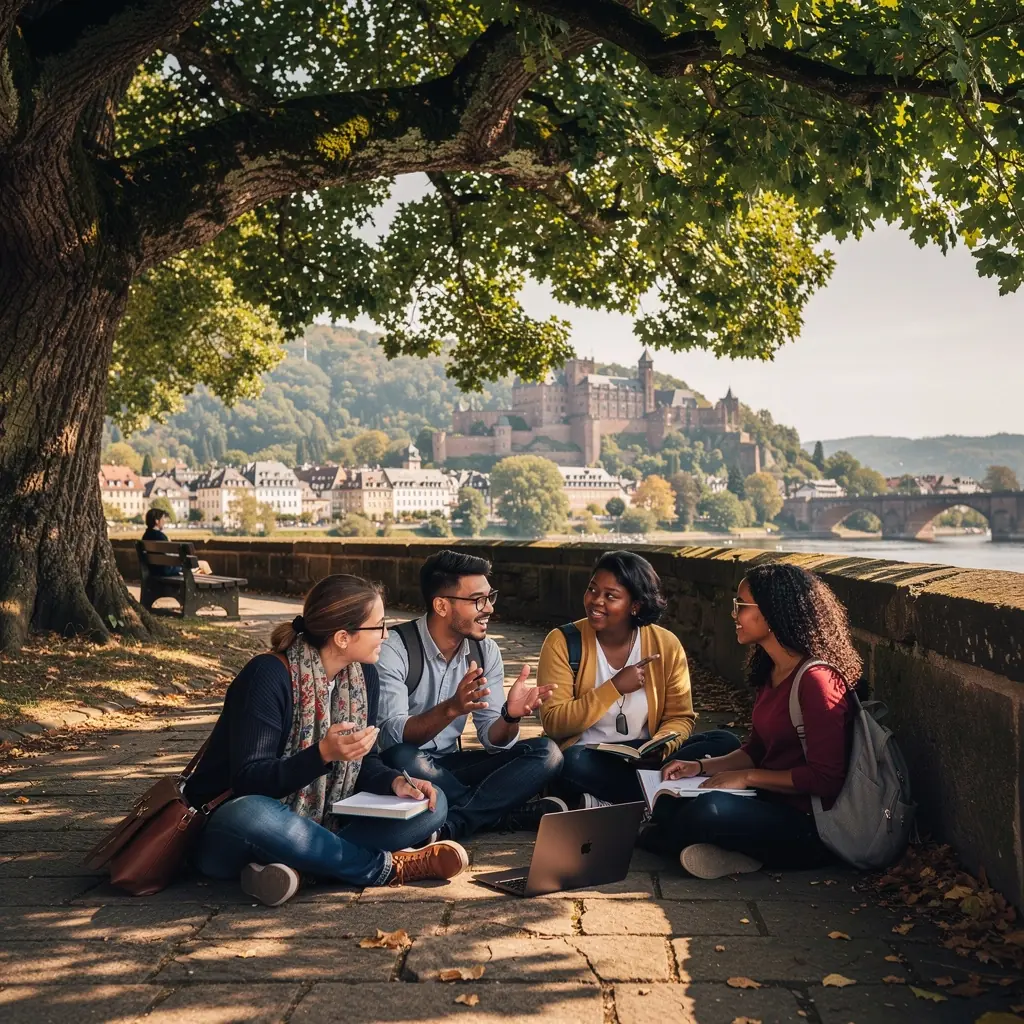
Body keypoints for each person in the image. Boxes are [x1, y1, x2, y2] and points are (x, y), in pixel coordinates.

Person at [188, 574, 468, 906]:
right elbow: (249, 781)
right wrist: (321, 755)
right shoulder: (267, 676)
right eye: (378, 626)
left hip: (320, 824)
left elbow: (364, 762)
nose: (386, 634)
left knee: (434, 804)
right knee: (252, 813)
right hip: (231, 831)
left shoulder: (363, 676)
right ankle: (382, 868)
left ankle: (298, 870)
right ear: (342, 637)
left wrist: (395, 783)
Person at [648, 561, 858, 879]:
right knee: (670, 799)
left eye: (742, 606)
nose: (734, 614)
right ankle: (722, 849)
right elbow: (757, 749)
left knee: (705, 811)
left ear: (771, 613)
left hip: (810, 826)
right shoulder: (770, 669)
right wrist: (699, 767)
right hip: (765, 802)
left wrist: (747, 777)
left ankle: (684, 841)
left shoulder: (817, 681)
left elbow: (825, 779)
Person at [376, 550, 565, 839]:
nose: (489, 609)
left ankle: (453, 822)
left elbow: (493, 740)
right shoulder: (395, 649)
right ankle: (500, 812)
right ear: (441, 605)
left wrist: (510, 717)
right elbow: (391, 738)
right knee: (402, 757)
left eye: (490, 597)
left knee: (547, 753)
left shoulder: (485, 651)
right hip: (407, 769)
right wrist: (451, 708)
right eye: (478, 600)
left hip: (450, 768)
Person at [538, 550, 741, 808]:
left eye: (610, 596)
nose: (596, 601)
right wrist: (614, 687)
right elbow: (555, 723)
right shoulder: (562, 642)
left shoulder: (665, 645)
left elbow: (680, 717)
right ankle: (659, 798)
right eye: (592, 589)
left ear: (635, 605)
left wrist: (662, 745)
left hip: (647, 755)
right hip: (589, 755)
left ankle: (615, 801)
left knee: (726, 742)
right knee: (569, 763)